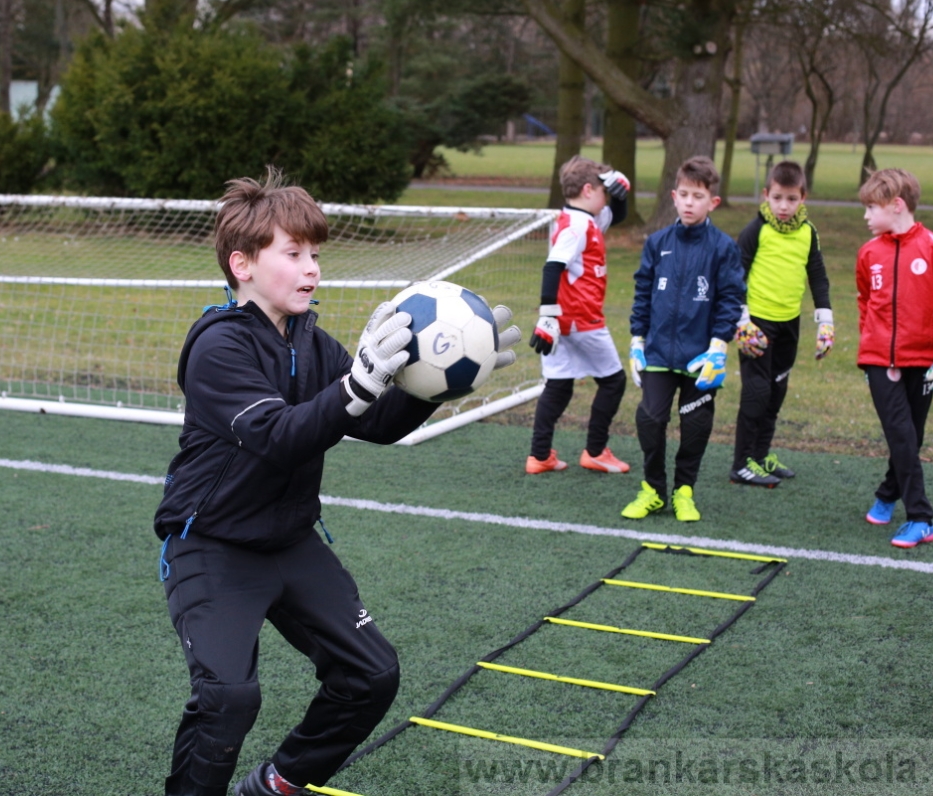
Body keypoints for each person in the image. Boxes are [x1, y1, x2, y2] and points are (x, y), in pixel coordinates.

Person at [154, 170, 519, 796]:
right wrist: (357, 385)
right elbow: (279, 435)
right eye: (294, 253)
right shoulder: (218, 347)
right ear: (242, 264)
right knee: (228, 698)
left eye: (316, 255)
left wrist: (433, 384)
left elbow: (374, 423)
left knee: (371, 675)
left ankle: (277, 784)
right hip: (212, 544)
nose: (311, 268)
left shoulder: (312, 341)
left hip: (290, 539)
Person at [855, 168, 933, 549]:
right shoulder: (868, 253)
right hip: (879, 361)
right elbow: (865, 303)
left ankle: (888, 493)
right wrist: (869, 353)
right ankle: (921, 518)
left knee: (912, 435)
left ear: (896, 205)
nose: (866, 216)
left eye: (871, 208)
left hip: (924, 361)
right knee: (901, 434)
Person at [622, 156, 746, 522]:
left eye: (698, 196)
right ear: (674, 197)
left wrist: (719, 346)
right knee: (649, 419)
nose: (690, 203)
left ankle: (684, 491)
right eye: (685, 195)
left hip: (701, 357)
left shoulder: (723, 247)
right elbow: (643, 292)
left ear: (713, 202)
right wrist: (637, 339)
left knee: (695, 424)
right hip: (658, 352)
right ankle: (653, 490)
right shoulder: (657, 243)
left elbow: (730, 298)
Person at [526, 156, 632, 475]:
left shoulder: (584, 218)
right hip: (580, 319)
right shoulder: (577, 226)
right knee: (613, 382)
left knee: (559, 386)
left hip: (565, 320)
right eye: (603, 192)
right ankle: (596, 451)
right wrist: (547, 315)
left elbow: (618, 215)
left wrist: (620, 194)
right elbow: (552, 267)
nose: (606, 199)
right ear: (588, 190)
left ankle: (539, 456)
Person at [729, 161, 833, 487]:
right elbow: (734, 277)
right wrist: (741, 321)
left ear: (803, 197)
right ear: (766, 195)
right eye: (777, 198)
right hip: (757, 324)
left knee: (776, 391)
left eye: (791, 199)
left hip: (790, 323)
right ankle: (741, 464)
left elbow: (818, 276)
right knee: (757, 391)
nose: (784, 206)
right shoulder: (755, 230)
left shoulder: (808, 232)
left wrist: (825, 321)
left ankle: (761, 456)